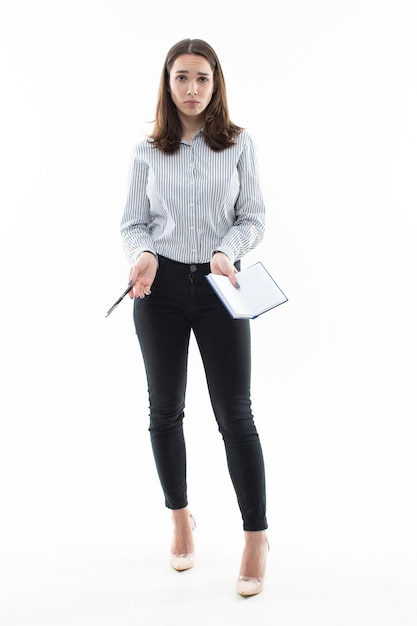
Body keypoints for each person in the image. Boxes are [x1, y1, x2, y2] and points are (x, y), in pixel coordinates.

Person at [120, 38, 269, 596]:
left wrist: (227, 250)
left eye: (202, 78)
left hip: (218, 287)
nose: (191, 89)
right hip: (158, 290)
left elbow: (253, 217)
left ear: (216, 82)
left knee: (236, 413)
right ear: (167, 81)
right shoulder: (146, 151)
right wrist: (142, 254)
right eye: (181, 77)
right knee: (164, 410)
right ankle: (180, 518)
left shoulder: (238, 145)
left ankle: (256, 535)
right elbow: (133, 223)